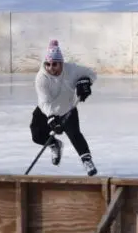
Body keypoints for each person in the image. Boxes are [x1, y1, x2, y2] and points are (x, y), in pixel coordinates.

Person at [30, 39, 98, 176]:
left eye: (54, 64)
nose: (51, 68)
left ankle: (86, 160)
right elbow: (44, 102)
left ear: (61, 63)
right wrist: (51, 117)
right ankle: (55, 144)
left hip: (68, 109)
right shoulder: (41, 78)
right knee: (37, 136)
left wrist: (85, 82)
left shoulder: (72, 70)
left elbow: (92, 74)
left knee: (75, 135)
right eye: (47, 64)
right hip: (46, 111)